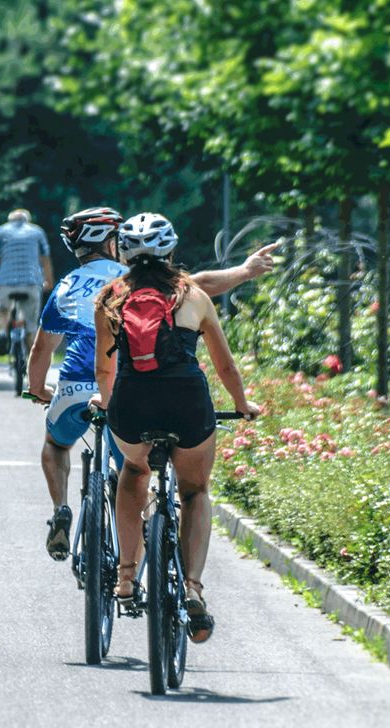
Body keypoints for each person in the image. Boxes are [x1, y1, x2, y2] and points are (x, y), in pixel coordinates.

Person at [29, 207, 275, 562]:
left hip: (78, 390)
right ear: (112, 244)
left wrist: (38, 389)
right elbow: (199, 284)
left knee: (56, 443)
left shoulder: (69, 286)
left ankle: (61, 509)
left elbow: (41, 350)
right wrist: (245, 271)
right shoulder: (131, 279)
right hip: (137, 390)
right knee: (136, 474)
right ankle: (150, 546)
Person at [91, 212, 260, 644]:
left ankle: (127, 578)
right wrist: (242, 405)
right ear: (170, 250)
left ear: (123, 254)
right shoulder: (194, 295)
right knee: (195, 492)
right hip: (187, 402)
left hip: (132, 403)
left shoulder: (109, 297)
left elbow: (105, 369)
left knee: (133, 473)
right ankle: (192, 588)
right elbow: (224, 364)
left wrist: (110, 407)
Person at [0, 208, 54, 355]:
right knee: (31, 326)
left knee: (3, 310)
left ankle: (2, 333)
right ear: (27, 220)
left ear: (10, 220)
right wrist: (49, 281)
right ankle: (30, 362)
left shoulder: (1, 231)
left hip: (5, 282)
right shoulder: (37, 232)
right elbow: (45, 259)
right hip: (32, 282)